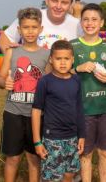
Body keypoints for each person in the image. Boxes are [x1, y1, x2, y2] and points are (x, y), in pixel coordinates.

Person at [0, 7, 50, 182]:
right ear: (19, 29)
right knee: (13, 158)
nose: (30, 31)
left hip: (37, 115)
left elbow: (51, 83)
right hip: (13, 113)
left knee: (34, 158)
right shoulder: (12, 52)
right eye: (26, 27)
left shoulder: (47, 55)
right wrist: (5, 83)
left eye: (34, 27)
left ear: (41, 29)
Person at [70, 3, 106, 182]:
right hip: (83, 110)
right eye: (86, 19)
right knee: (85, 153)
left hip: (105, 108)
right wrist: (78, 68)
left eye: (94, 19)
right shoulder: (73, 46)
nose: (90, 23)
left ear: (102, 22)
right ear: (81, 22)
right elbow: (61, 73)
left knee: (105, 152)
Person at [31, 40, 85, 182]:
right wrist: (37, 142)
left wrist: (82, 135)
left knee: (69, 174)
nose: (62, 63)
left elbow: (79, 109)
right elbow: (36, 111)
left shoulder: (76, 80)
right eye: (58, 58)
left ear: (72, 60)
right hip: (52, 139)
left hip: (72, 138)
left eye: (66, 59)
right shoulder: (45, 81)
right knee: (52, 178)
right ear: (51, 59)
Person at [0, 0, 80, 53]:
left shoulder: (78, 25)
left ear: (70, 5)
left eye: (64, 2)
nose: (58, 6)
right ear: (47, 1)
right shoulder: (31, 16)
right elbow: (4, 38)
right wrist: (12, 61)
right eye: (54, 1)